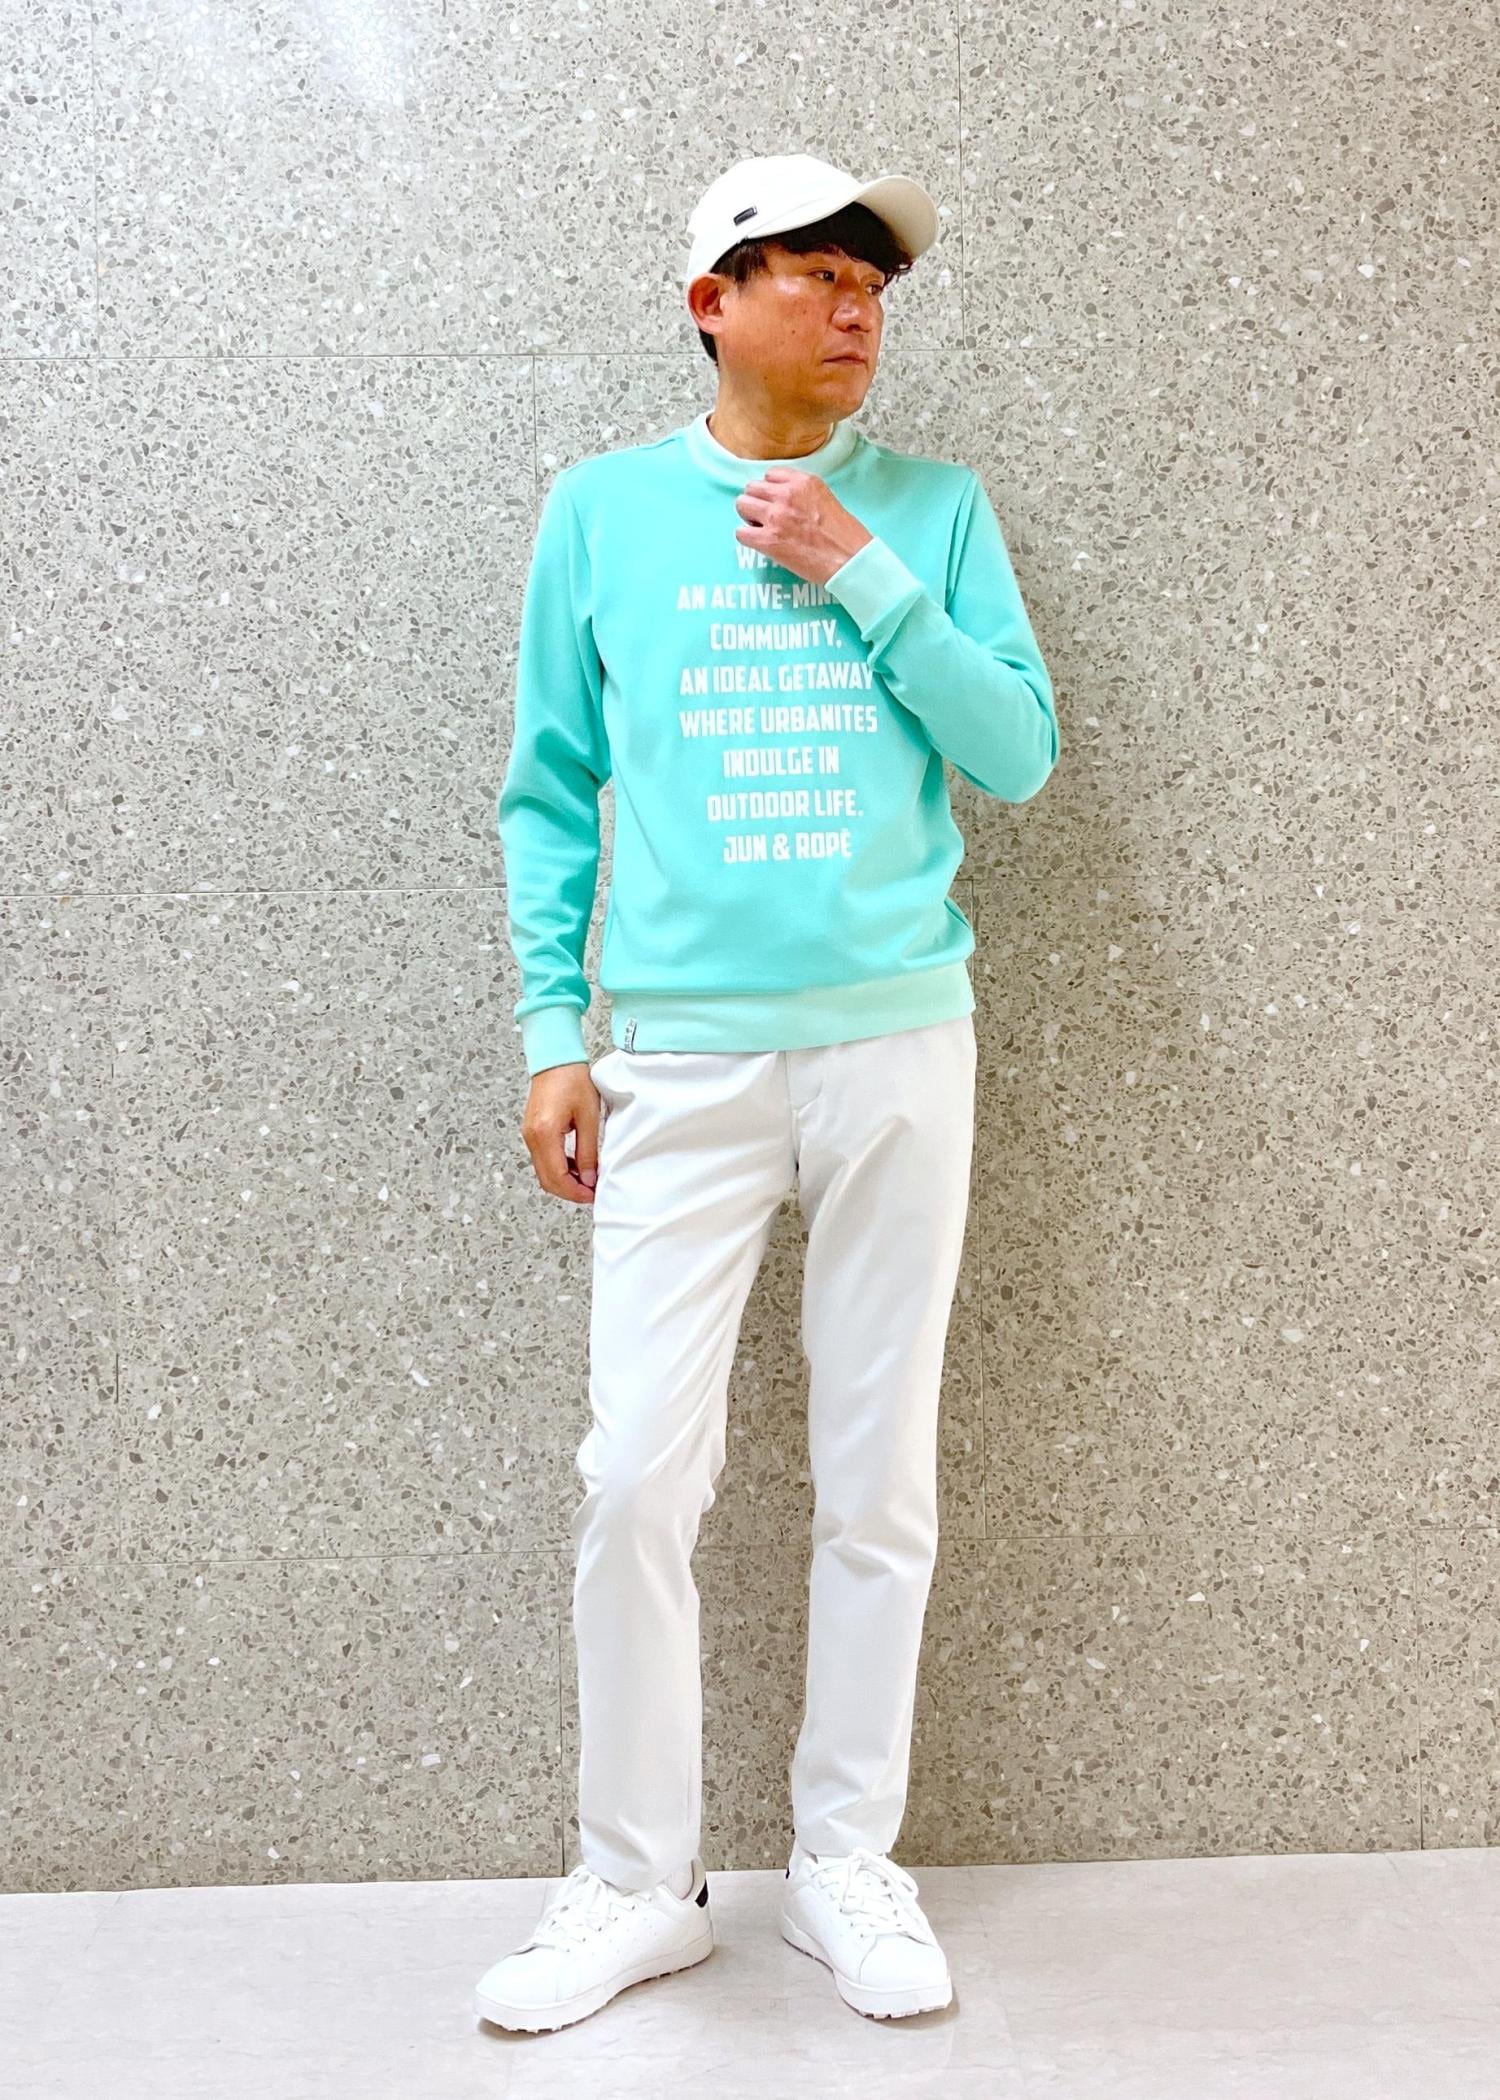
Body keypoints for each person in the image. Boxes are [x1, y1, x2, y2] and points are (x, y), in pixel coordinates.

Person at [474, 151, 1059, 2034]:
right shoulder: (603, 510)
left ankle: (845, 1861)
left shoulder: (933, 510)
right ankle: (636, 1881)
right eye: (812, 272)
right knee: (636, 1470)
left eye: (871, 281)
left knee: (879, 1473)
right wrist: (552, 1031)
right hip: (680, 1053)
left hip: (897, 1039)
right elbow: (550, 788)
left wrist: (861, 569)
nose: (855, 305)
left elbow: (1016, 753)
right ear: (713, 303)